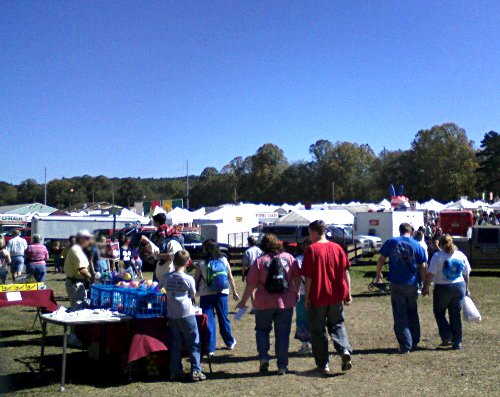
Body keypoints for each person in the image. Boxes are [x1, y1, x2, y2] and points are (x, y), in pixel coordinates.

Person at [237, 233, 300, 375]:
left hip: (263, 302)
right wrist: (295, 292)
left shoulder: (260, 261)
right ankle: (282, 366)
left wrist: (243, 301)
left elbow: (251, 284)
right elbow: (297, 277)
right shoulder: (289, 258)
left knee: (262, 331)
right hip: (285, 302)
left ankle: (264, 357)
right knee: (282, 335)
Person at [302, 220, 353, 373]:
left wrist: (307, 297)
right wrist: (348, 293)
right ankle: (344, 350)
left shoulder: (312, 250)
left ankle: (323, 363)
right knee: (337, 324)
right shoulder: (337, 248)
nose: (310, 236)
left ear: (316, 232)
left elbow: (309, 277)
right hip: (336, 295)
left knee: (318, 331)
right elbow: (346, 272)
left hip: (318, 295)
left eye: (310, 233)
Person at [376, 223, 427, 354]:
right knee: (412, 312)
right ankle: (414, 340)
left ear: (400, 231)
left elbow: (381, 259)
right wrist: (425, 284)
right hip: (412, 283)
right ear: (410, 232)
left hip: (397, 283)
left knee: (400, 314)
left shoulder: (391, 242)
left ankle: (405, 344)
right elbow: (422, 266)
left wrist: (378, 274)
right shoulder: (417, 245)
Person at [161, 250, 206, 382]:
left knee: (175, 344)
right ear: (187, 263)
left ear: (174, 261)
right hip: (187, 313)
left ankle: (175, 371)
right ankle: (196, 370)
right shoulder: (188, 279)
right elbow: (193, 295)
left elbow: (160, 289)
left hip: (172, 314)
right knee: (194, 342)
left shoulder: (166, 277)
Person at [422, 235, 471, 350]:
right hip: (459, 286)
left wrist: (426, 287)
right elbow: (466, 274)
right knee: (455, 314)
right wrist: (466, 288)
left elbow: (431, 274)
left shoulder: (438, 256)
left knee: (439, 312)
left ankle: (447, 335)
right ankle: (457, 341)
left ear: (440, 244)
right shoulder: (460, 255)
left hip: (442, 288)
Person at [195, 239, 239, 357]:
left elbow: (196, 279)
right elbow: (230, 277)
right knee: (224, 319)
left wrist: (193, 294)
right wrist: (234, 291)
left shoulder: (201, 263)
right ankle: (230, 342)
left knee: (209, 321)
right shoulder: (223, 260)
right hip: (222, 293)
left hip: (206, 294)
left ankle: (210, 348)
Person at [142, 213, 183, 281]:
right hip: (171, 264)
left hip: (162, 265)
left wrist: (159, 255)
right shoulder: (170, 228)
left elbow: (158, 247)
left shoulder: (160, 231)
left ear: (157, 222)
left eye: (154, 221)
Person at [64, 230, 93, 308]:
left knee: (80, 307)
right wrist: (93, 279)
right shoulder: (76, 251)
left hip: (78, 283)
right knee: (78, 309)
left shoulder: (80, 250)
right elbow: (82, 270)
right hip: (76, 284)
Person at [294, 239, 312, 355]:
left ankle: (305, 345)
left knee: (302, 320)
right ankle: (317, 344)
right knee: (315, 319)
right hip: (316, 294)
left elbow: (297, 278)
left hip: (302, 293)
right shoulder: (317, 258)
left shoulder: (298, 260)